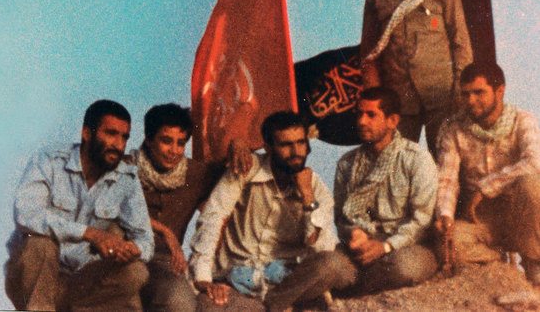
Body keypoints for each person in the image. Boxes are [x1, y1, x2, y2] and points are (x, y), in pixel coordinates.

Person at [4, 99, 154, 311]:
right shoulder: (49, 161)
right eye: (111, 134)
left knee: (135, 271)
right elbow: (26, 214)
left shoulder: (126, 178)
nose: (119, 145)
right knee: (39, 243)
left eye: (124, 137)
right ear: (86, 133)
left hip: (79, 283)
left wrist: (133, 250)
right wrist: (90, 234)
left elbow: (145, 239)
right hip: (32, 279)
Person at [190, 111, 347, 312]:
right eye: (286, 145)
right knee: (207, 307)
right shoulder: (246, 168)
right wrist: (203, 279)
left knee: (334, 264)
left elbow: (322, 249)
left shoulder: (316, 188)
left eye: (300, 143)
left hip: (284, 283)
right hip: (236, 279)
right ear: (268, 147)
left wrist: (308, 197)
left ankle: (273, 305)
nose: (296, 152)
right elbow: (213, 217)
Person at [360, 0, 473, 156]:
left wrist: (461, 92)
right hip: (398, 99)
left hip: (442, 95)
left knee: (447, 161)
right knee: (394, 161)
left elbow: (461, 43)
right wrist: (376, 102)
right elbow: (369, 54)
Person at [434, 62, 540, 283]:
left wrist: (485, 188)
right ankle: (498, 262)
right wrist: (445, 215)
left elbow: (534, 162)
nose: (471, 100)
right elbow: (447, 179)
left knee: (531, 183)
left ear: (499, 91)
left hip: (522, 214)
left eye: (479, 92)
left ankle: (534, 263)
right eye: (465, 94)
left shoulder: (522, 120)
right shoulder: (455, 130)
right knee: (449, 245)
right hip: (482, 217)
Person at [333, 87, 438, 293]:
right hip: (364, 245)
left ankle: (353, 285)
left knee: (404, 268)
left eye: (371, 115)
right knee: (330, 263)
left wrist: (385, 247)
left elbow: (422, 221)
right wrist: (355, 233)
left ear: (393, 121)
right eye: (359, 114)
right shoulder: (347, 163)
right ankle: (357, 280)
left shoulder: (416, 159)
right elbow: (341, 217)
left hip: (406, 246)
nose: (361, 121)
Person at [130, 104, 217, 312]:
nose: (174, 151)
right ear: (149, 139)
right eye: (166, 141)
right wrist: (164, 231)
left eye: (181, 143)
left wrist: (237, 145)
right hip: (125, 256)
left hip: (164, 262)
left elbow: (231, 173)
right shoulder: (125, 168)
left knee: (180, 303)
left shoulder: (195, 174)